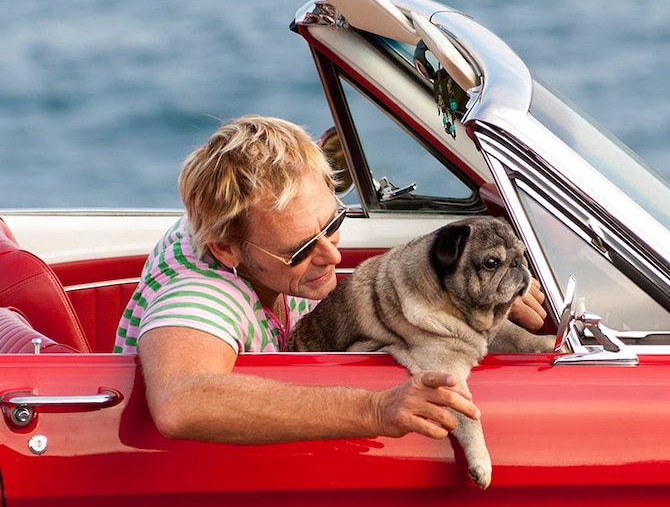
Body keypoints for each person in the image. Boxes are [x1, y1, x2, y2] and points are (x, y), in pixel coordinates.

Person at [114, 114, 547, 444]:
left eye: (333, 221)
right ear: (226, 249)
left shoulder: (255, 226)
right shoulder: (200, 295)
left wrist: (486, 289)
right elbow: (182, 402)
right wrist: (378, 408)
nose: (333, 255)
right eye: (299, 250)